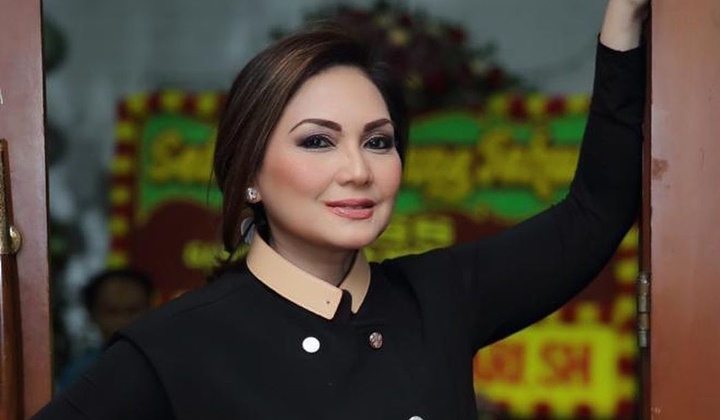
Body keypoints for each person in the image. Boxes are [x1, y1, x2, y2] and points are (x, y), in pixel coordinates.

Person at [34, 0, 649, 418]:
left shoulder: (439, 298)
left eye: (378, 142)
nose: (358, 170)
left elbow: (595, 212)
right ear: (249, 174)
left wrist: (623, 20)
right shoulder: (173, 346)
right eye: (317, 141)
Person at [54, 268, 156, 392]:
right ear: (92, 315)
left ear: (151, 310)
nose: (123, 321)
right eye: (112, 312)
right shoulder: (80, 374)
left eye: (133, 311)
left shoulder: (168, 364)